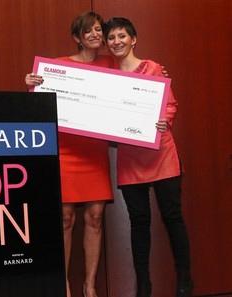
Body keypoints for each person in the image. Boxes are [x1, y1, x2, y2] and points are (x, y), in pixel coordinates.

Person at [26, 12, 114, 297]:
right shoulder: (57, 67)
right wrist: (32, 84)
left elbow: (139, 81)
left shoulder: (111, 64)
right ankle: (62, 284)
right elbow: (39, 100)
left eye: (98, 30)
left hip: (94, 151)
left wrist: (155, 75)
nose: (95, 35)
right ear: (77, 37)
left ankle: (89, 286)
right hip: (65, 150)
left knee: (96, 216)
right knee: (64, 217)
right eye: (87, 31)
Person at [103, 17, 193, 297]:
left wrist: (165, 120)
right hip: (130, 158)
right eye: (111, 38)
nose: (116, 41)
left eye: (122, 36)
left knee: (173, 217)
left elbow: (170, 104)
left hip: (161, 154)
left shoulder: (154, 68)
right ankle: (143, 285)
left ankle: (185, 281)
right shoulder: (106, 75)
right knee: (138, 222)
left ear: (133, 39)